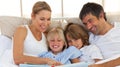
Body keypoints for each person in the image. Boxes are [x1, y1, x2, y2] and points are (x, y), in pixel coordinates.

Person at [13, 1, 61, 66]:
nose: (46, 23)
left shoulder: (46, 36)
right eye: (42, 19)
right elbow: (17, 58)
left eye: (48, 19)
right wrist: (46, 60)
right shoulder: (22, 30)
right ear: (32, 16)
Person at [79, 2, 120, 67]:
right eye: (85, 24)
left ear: (101, 15)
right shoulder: (89, 38)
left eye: (90, 21)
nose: (88, 27)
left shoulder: (118, 29)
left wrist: (101, 65)